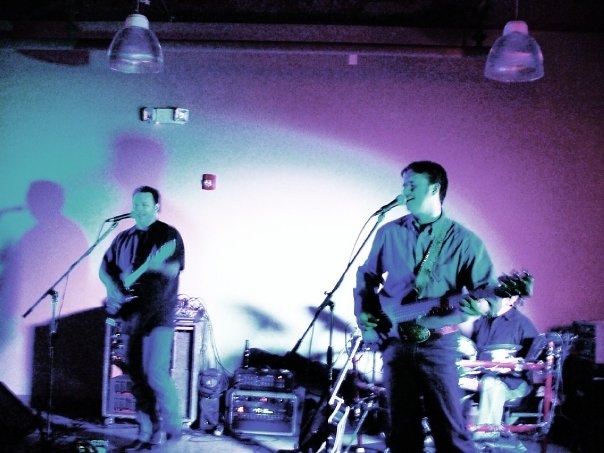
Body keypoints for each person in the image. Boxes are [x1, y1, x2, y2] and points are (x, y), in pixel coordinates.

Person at [354, 161, 500, 453]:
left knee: (451, 432)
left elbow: (490, 293)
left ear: (435, 188)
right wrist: (365, 313)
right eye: (404, 185)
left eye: (412, 186)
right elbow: (367, 276)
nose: (404, 192)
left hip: (438, 343)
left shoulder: (465, 241)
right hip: (396, 343)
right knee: (401, 432)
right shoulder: (389, 232)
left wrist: (482, 305)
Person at [99, 186, 185, 452]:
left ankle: (174, 429)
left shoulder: (168, 235)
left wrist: (154, 265)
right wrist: (113, 289)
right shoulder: (123, 238)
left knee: (155, 372)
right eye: (136, 204)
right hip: (131, 314)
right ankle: (147, 432)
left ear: (156, 207)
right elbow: (105, 268)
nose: (139, 209)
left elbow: (173, 268)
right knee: (136, 376)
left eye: (145, 205)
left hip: (159, 313)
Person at [460, 295, 539, 439]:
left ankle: (485, 440)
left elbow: (535, 360)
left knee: (491, 383)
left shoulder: (523, 324)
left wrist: (515, 364)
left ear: (512, 298)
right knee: (448, 377)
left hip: (513, 383)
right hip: (480, 376)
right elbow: (474, 353)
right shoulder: (481, 322)